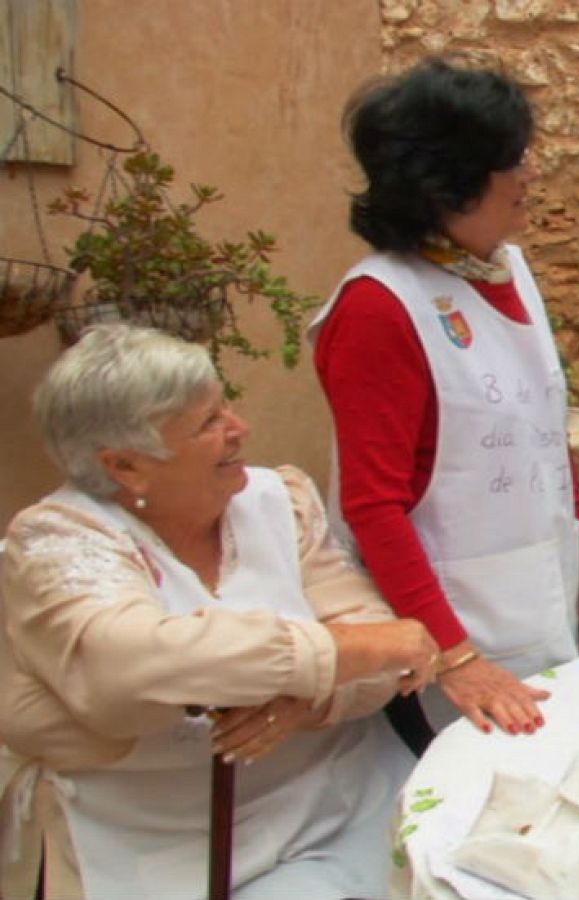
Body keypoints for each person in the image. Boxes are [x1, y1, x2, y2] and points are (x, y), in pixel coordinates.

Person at [0, 324, 436, 900]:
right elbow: (129, 667)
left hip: (340, 805)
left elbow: (377, 646)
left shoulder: (278, 500)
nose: (239, 428)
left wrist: (302, 700)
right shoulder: (58, 541)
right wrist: (335, 654)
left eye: (223, 406)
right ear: (125, 466)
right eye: (208, 422)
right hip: (162, 846)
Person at [310, 57, 579, 739]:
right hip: (444, 631)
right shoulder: (379, 308)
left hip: (531, 599)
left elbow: (542, 419)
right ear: (450, 181)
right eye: (512, 159)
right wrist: (453, 653)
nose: (530, 172)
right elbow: (372, 505)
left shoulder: (508, 268)